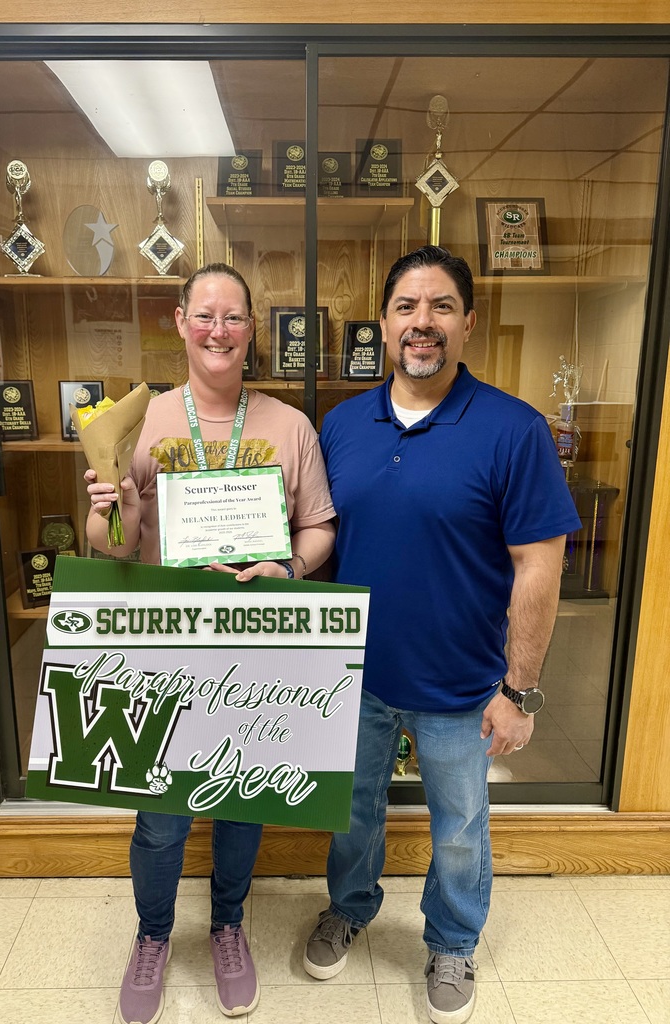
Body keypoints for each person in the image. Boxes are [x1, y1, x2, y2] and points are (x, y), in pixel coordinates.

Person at [302, 245, 581, 1024]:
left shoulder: (514, 430)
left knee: (459, 828)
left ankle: (453, 939)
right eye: (406, 308)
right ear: (384, 324)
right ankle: (349, 907)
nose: (421, 323)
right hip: (353, 679)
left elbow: (539, 569)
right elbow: (317, 535)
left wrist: (517, 690)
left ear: (467, 323)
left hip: (463, 685)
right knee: (351, 811)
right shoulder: (343, 425)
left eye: (440, 307)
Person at [86, 262, 336, 1024]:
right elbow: (109, 547)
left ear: (252, 328)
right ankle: (153, 936)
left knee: (240, 802)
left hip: (255, 647)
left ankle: (228, 925)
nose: (219, 331)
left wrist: (289, 564)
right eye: (205, 316)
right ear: (180, 321)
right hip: (165, 647)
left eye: (234, 317)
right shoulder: (146, 419)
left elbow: (319, 527)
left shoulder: (290, 426)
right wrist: (115, 507)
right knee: (160, 814)